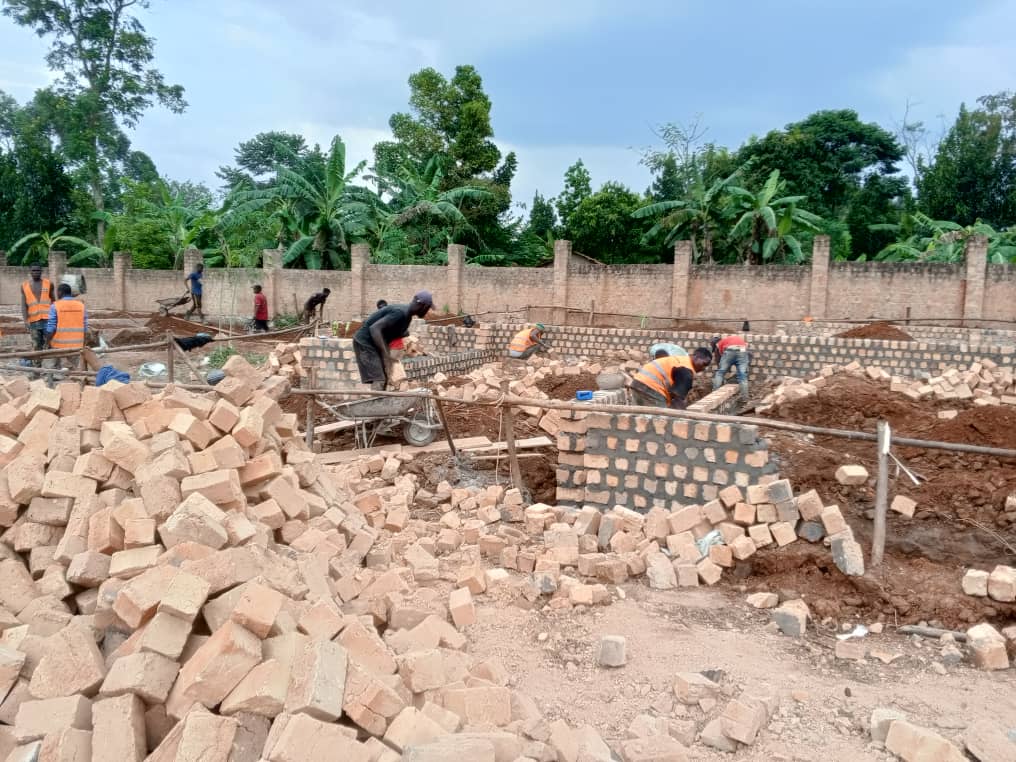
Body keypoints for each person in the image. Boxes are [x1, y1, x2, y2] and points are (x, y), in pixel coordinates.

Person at [353, 291, 433, 390]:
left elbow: (396, 332)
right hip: (365, 342)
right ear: (422, 306)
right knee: (379, 379)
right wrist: (385, 353)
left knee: (384, 377)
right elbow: (374, 329)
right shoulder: (400, 313)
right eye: (428, 308)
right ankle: (376, 399)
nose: (427, 311)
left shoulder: (406, 317)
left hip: (372, 343)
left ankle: (380, 398)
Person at [630, 347, 712, 409]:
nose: (704, 368)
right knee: (661, 419)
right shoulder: (686, 371)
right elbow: (677, 400)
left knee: (639, 416)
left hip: (637, 382)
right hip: (651, 387)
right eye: (704, 364)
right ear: (696, 357)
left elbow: (673, 394)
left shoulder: (681, 360)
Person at [46, 283, 88, 369]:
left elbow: (51, 327)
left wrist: (48, 340)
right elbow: (85, 326)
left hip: (59, 344)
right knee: (74, 368)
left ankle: (56, 375)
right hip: (77, 343)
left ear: (60, 292)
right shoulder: (81, 305)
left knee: (55, 367)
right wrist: (83, 341)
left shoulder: (55, 306)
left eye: (57, 292)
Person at [21, 263, 55, 366]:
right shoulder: (24, 286)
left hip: (48, 320)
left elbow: (53, 301)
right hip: (34, 321)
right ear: (30, 272)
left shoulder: (49, 284)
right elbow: (24, 305)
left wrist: (55, 317)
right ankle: (37, 368)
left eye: (38, 270)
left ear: (41, 271)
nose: (36, 272)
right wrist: (25, 320)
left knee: (51, 344)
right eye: (33, 270)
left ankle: (53, 368)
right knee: (36, 346)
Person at [711, 334, 750, 400]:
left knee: (720, 373)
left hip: (730, 350)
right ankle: (745, 398)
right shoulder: (737, 339)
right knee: (742, 375)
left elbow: (722, 354)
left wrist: (724, 366)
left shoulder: (721, 342)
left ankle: (714, 394)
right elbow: (745, 349)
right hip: (742, 350)